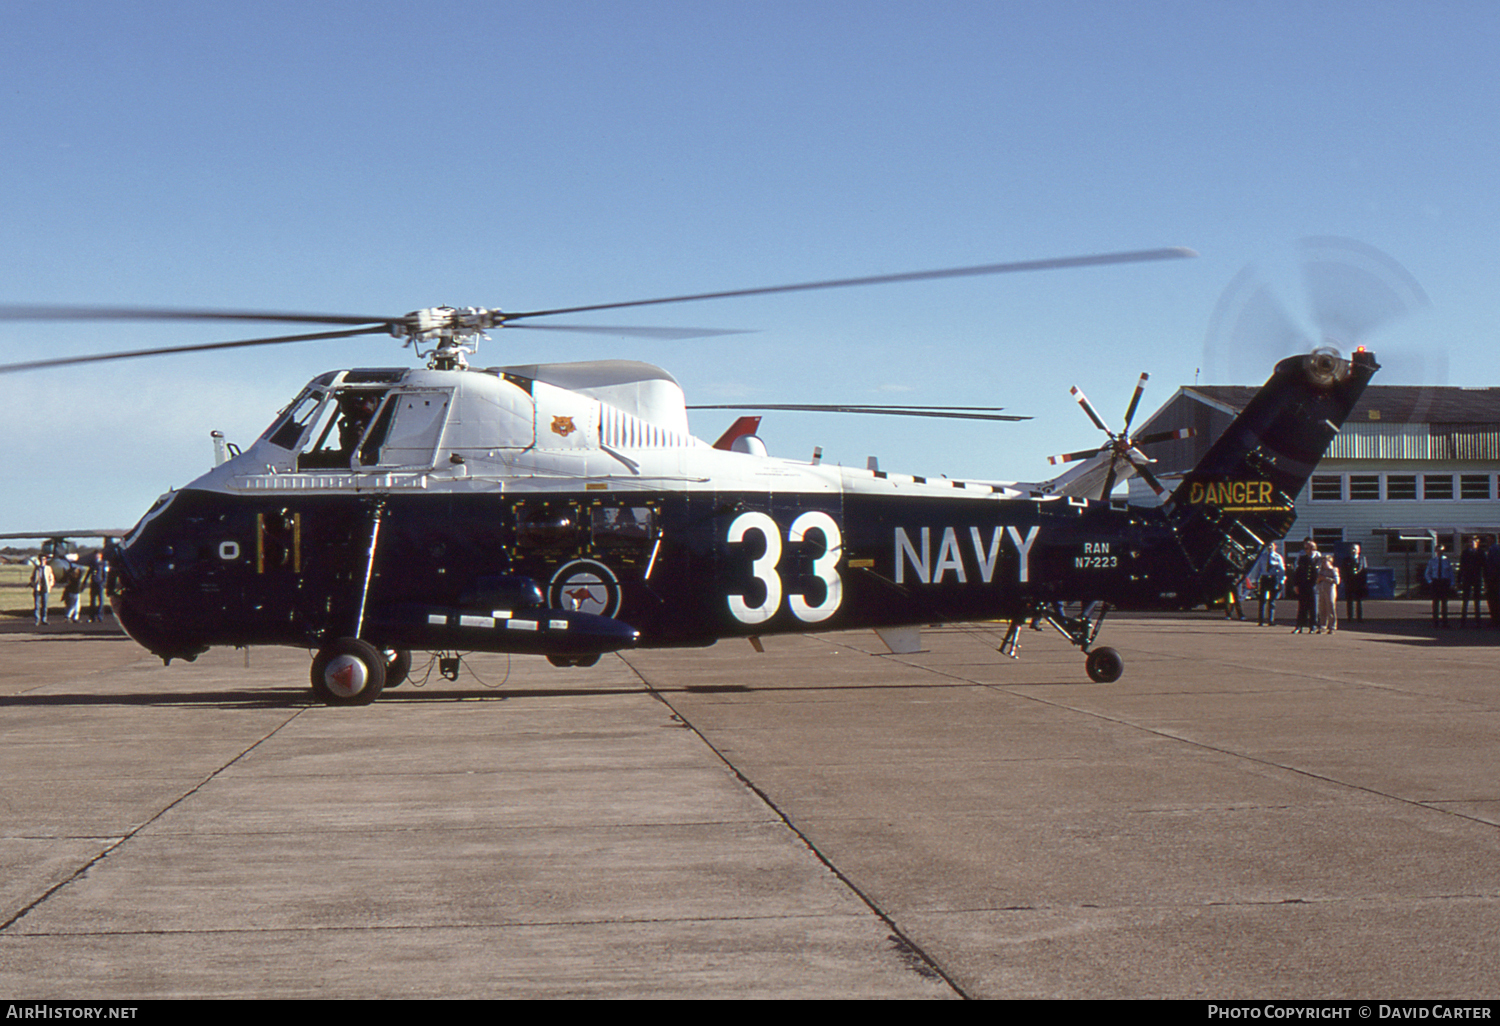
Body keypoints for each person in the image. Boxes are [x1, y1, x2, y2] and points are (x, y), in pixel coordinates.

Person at [1249, 542, 1285, 626]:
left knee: (1272, 601)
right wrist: (1255, 579)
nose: (1269, 547)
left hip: (1273, 578)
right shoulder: (1262, 556)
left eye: (1271, 546)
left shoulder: (1277, 557)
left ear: (1275, 547)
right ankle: (1261, 620)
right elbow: (1257, 568)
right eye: (1268, 546)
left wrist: (1281, 581)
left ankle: (1271, 620)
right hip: (1264, 578)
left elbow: (1281, 569)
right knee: (1262, 600)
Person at [1292, 538, 1321, 634]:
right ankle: (1299, 626)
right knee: (1302, 607)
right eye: (1306, 548)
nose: (1307, 550)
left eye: (1309, 548)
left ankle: (1313, 625)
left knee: (1313, 607)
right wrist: (1296, 584)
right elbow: (1298, 572)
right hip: (1303, 585)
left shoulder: (1319, 560)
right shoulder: (1303, 559)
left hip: (1314, 586)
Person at [1425, 544, 1455, 628]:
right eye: (1438, 550)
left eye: (1441, 550)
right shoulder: (1432, 561)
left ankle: (1445, 622)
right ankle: (1435, 622)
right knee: (1435, 603)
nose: (1440, 552)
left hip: (1444, 582)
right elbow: (1428, 573)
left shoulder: (1446, 561)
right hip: (1436, 582)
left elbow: (1450, 573)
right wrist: (1430, 581)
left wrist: (1452, 583)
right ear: (1436, 551)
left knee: (1444, 603)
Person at [1459, 536, 1486, 628]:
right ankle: (1463, 621)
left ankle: (1478, 622)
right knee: (1465, 600)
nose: (1472, 543)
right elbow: (1461, 567)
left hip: (1477, 578)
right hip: (1467, 578)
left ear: (1477, 543)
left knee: (1477, 600)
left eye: (1474, 542)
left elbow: (1484, 567)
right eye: (1471, 542)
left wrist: (1484, 580)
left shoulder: (1481, 553)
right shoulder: (1465, 553)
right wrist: (1459, 580)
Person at [1341, 543, 1368, 622]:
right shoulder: (1346, 559)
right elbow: (1343, 571)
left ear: (1358, 550)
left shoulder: (1362, 559)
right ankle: (1350, 617)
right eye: (1352, 549)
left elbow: (1365, 571)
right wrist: (1345, 580)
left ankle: (1359, 617)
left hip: (1359, 583)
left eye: (1355, 549)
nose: (1353, 550)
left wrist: (1364, 583)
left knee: (1359, 601)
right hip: (1349, 583)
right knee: (1349, 601)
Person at [1316, 553, 1341, 634]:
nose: (1323, 564)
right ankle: (1322, 625)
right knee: (1322, 608)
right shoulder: (1321, 571)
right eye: (1322, 562)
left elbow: (1337, 581)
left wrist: (1325, 578)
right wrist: (1319, 579)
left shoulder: (1333, 570)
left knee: (1330, 608)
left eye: (1325, 562)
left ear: (1329, 562)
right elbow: (1317, 580)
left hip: (1330, 590)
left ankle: (1332, 626)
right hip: (1322, 590)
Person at [30, 554, 54, 626]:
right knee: (37, 605)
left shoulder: (48, 568)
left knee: (45, 605)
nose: (42, 561)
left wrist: (50, 585)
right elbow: (33, 578)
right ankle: (37, 619)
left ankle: (44, 619)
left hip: (45, 588)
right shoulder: (37, 569)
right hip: (38, 588)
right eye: (41, 559)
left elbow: (51, 578)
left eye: (44, 559)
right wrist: (33, 584)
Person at [86, 551, 108, 622]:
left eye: (98, 555)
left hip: (99, 583)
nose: (96, 556)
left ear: (100, 555)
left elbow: (105, 574)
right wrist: (84, 581)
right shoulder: (92, 563)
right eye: (95, 555)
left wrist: (103, 582)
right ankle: (92, 617)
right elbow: (89, 572)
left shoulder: (103, 563)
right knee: (92, 600)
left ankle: (100, 616)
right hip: (93, 583)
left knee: (100, 600)